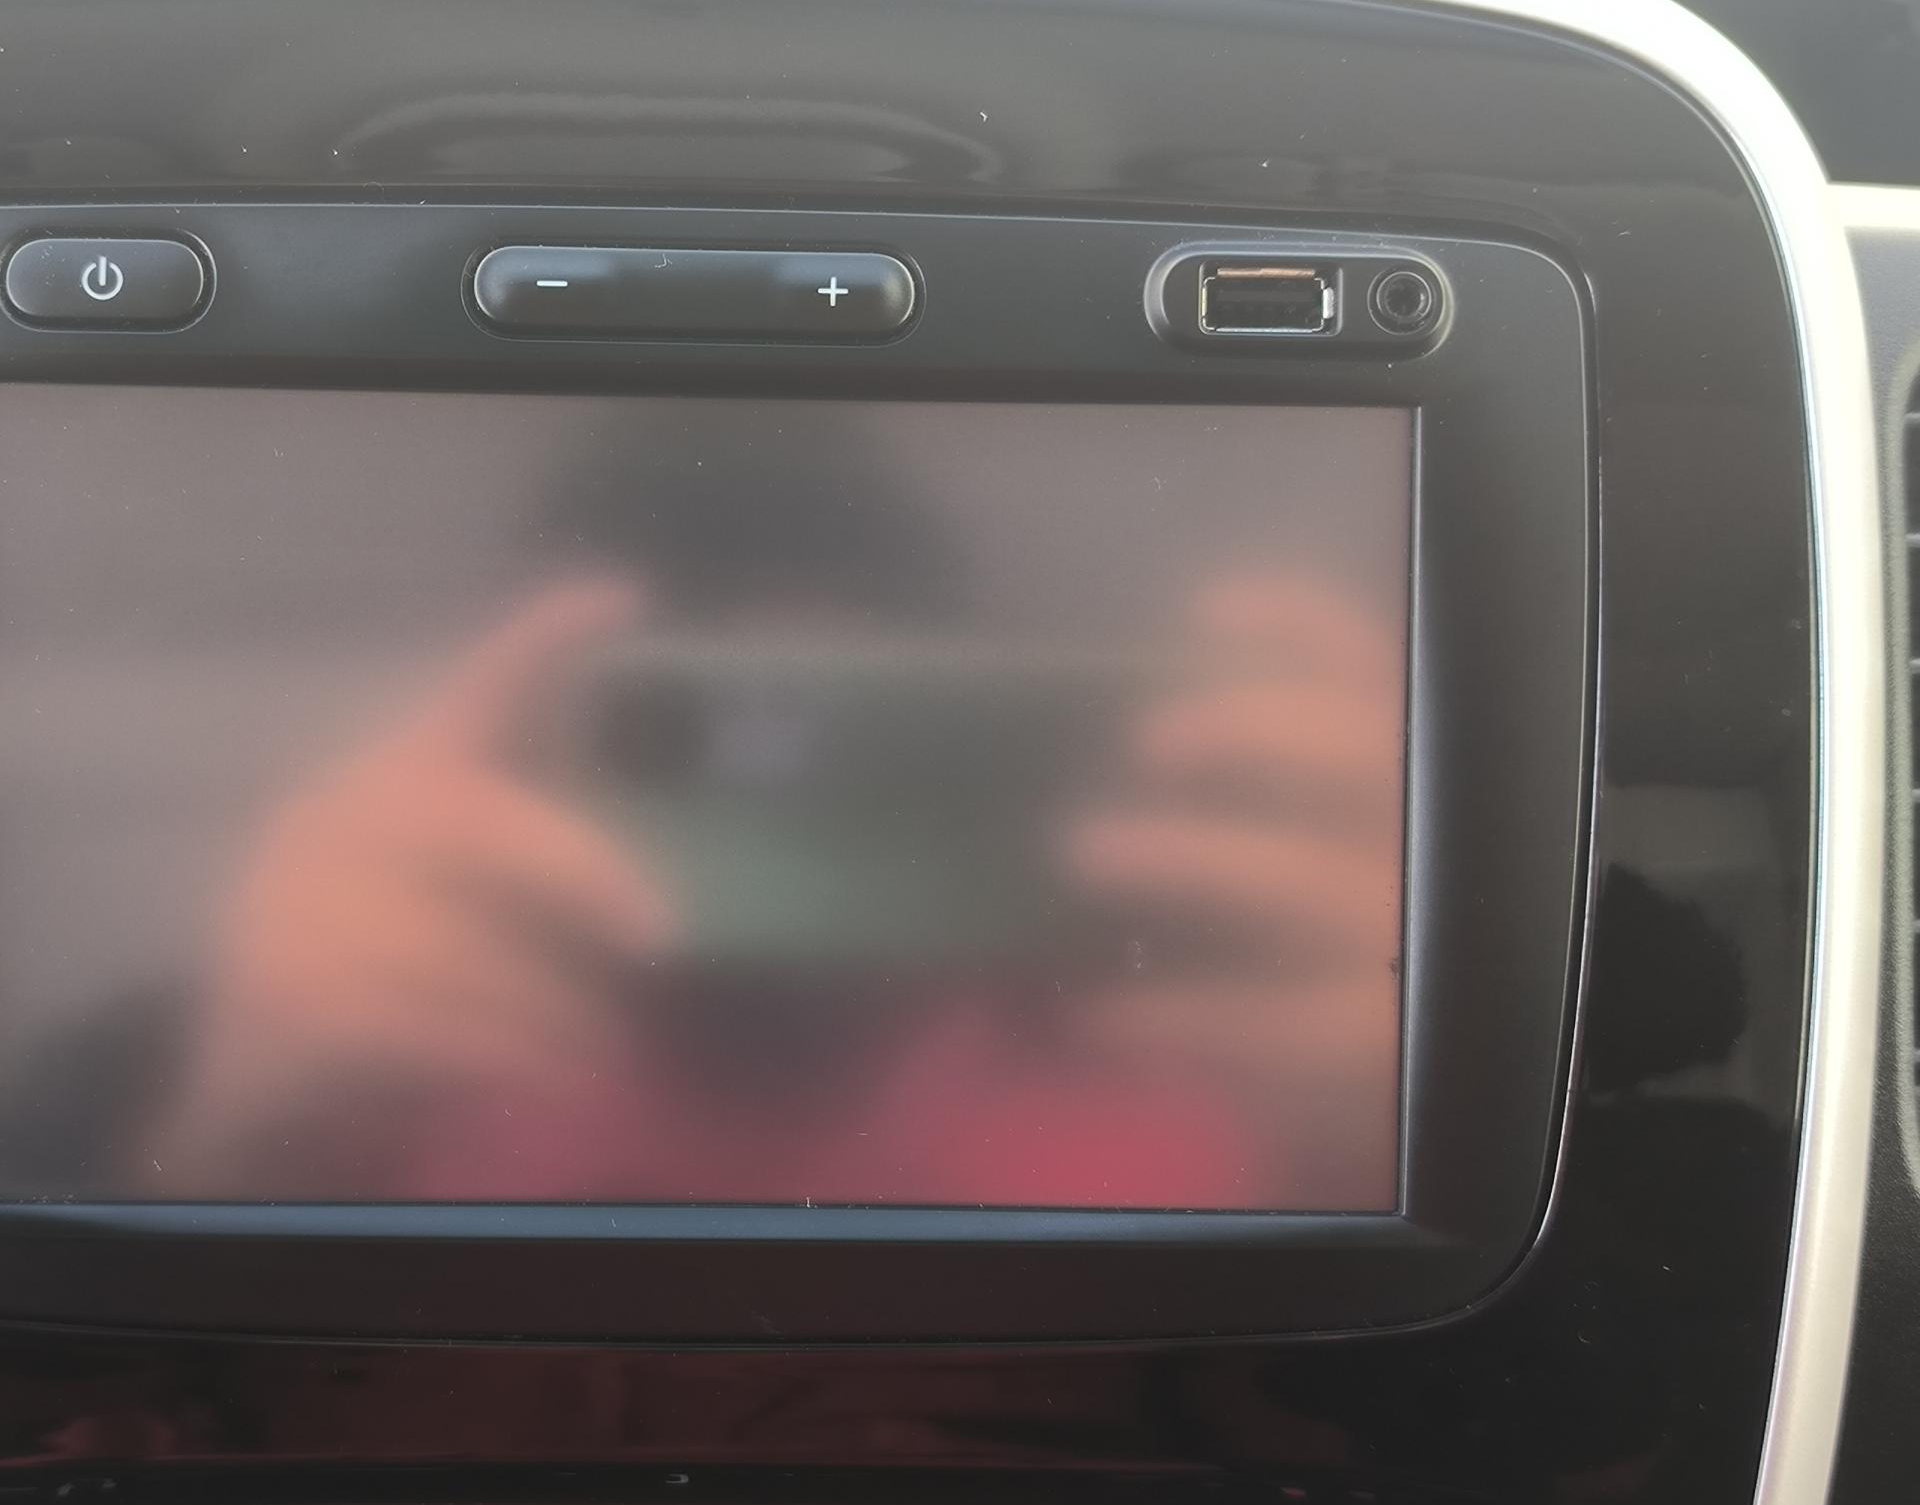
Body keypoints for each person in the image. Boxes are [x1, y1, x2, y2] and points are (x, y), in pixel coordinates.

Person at [127, 418, 1405, 1211]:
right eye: (683, 732)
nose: (784, 811)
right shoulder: (337, 1032)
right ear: (524, 721)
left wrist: (1436, 1119)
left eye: (858, 729)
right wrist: (218, 1151)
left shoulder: (1223, 1029)